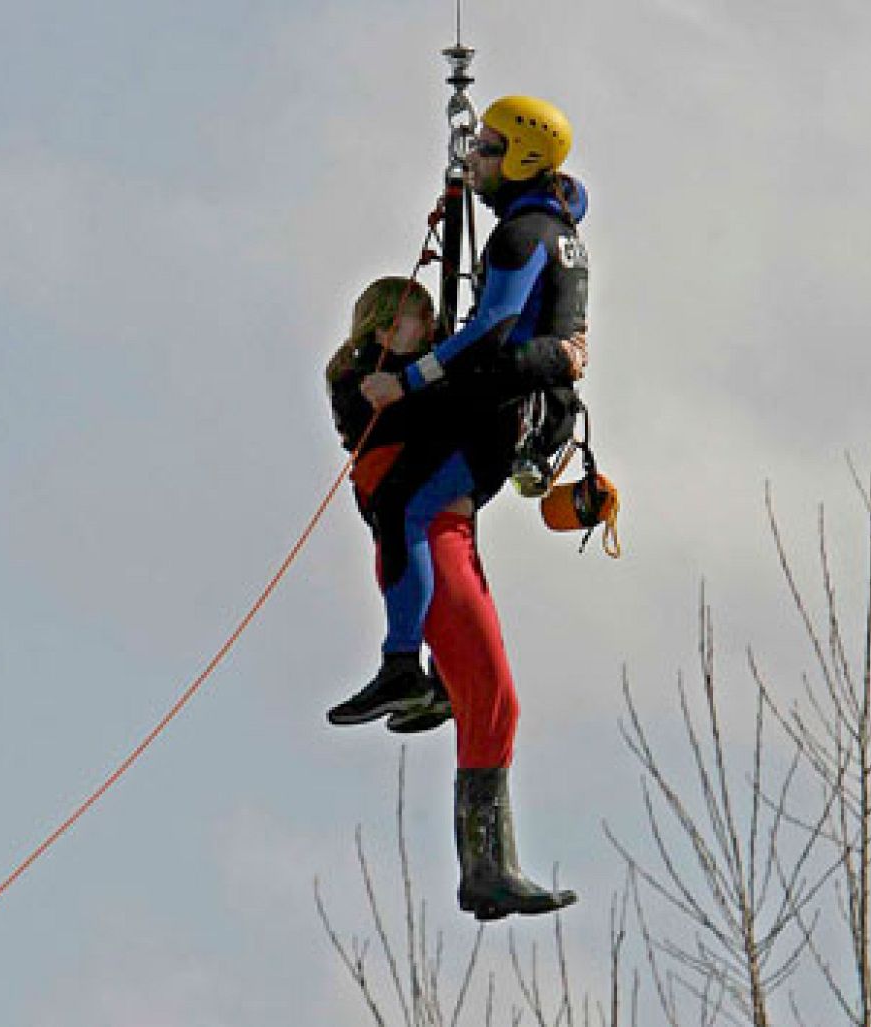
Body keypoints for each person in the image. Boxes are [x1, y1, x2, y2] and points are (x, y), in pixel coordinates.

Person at [326, 95, 591, 919]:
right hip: (430, 526)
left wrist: (531, 360)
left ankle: (484, 860)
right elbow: (488, 347)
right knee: (492, 694)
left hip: (452, 519)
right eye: (397, 317)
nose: (475, 157)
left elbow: (489, 336)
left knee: (493, 696)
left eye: (486, 148)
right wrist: (537, 358)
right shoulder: (357, 382)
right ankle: (411, 677)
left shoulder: (526, 238)